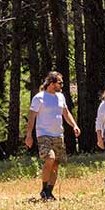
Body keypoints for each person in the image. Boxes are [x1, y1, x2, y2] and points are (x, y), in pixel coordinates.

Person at [24, 70, 80, 200]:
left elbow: (66, 113)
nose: (62, 85)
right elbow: (32, 118)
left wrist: (74, 125)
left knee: (56, 163)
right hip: (43, 134)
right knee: (50, 158)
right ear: (51, 83)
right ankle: (44, 189)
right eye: (60, 83)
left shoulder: (61, 97)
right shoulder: (39, 97)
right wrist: (29, 135)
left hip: (58, 135)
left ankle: (49, 192)